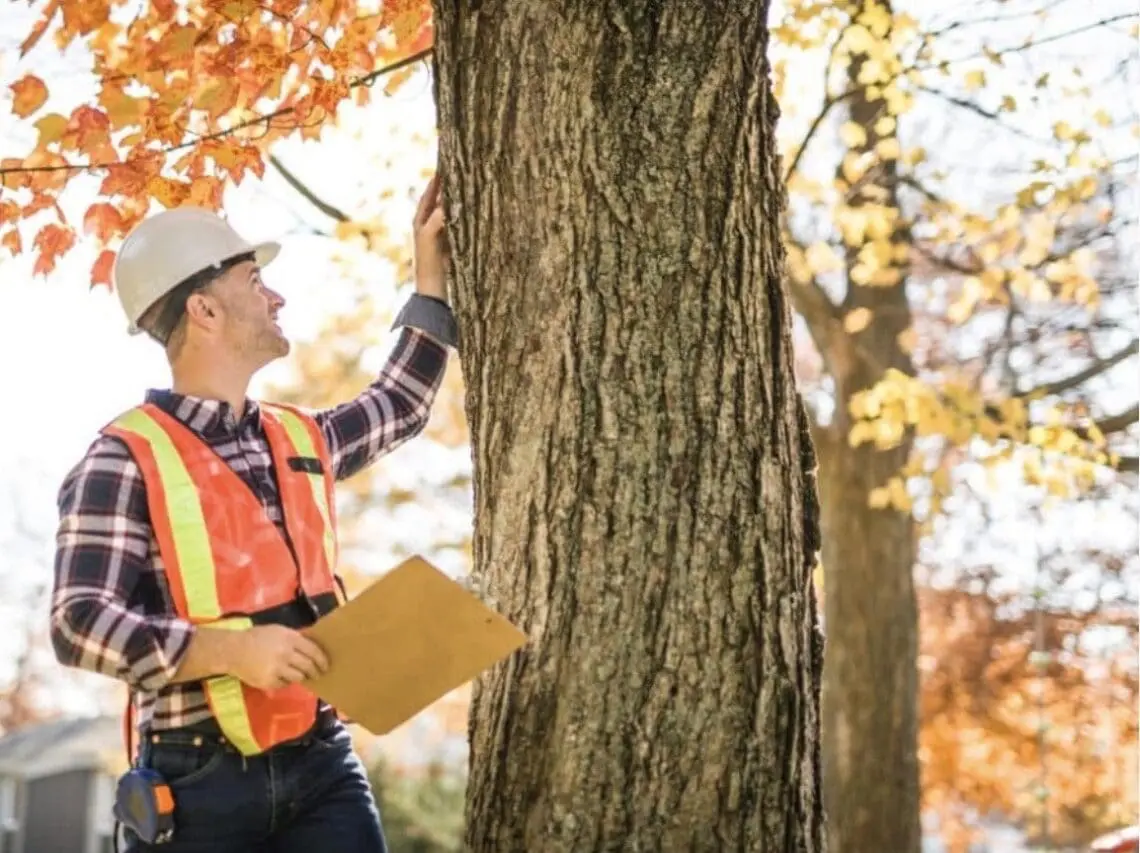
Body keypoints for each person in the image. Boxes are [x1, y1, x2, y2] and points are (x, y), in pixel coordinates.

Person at [49, 176, 456, 852]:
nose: (276, 296)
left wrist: (430, 278)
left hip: (322, 762)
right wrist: (230, 650)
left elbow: (400, 405)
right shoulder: (122, 458)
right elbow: (77, 622)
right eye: (254, 278)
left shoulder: (299, 440)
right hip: (197, 780)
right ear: (204, 309)